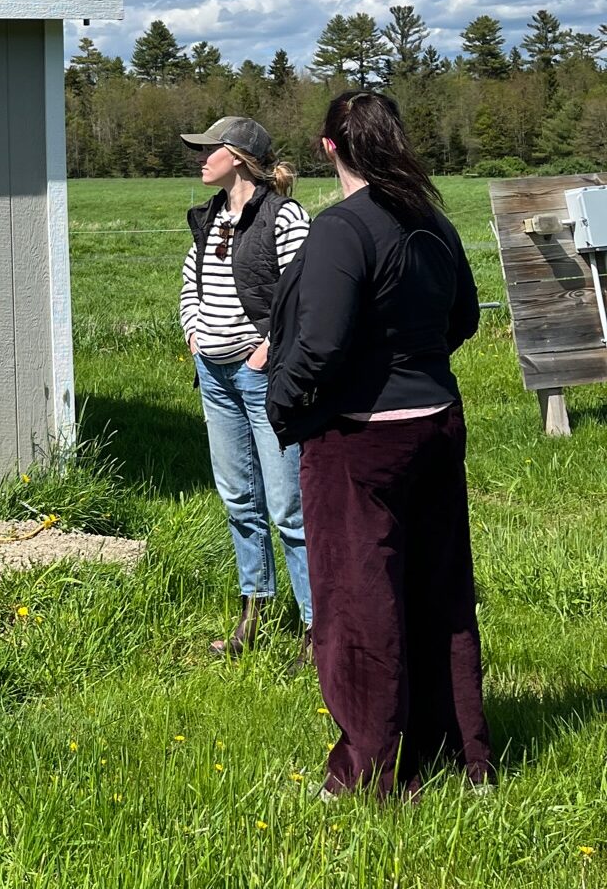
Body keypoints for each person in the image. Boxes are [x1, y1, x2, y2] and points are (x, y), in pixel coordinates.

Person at [267, 90, 493, 798]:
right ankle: (466, 750)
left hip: (360, 439)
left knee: (360, 602)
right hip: (436, 422)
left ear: (328, 146)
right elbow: (463, 317)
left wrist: (281, 401)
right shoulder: (432, 221)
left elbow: (321, 343)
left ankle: (371, 769)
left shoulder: (341, 229)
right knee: (439, 587)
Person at [179, 115, 313, 659]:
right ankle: (251, 617)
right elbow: (192, 281)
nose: (201, 158)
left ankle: (315, 625)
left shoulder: (285, 218)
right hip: (213, 377)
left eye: (209, 149)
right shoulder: (209, 218)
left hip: (263, 380)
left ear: (236, 156)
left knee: (288, 508)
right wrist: (193, 330)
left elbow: (307, 297)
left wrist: (267, 353)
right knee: (239, 499)